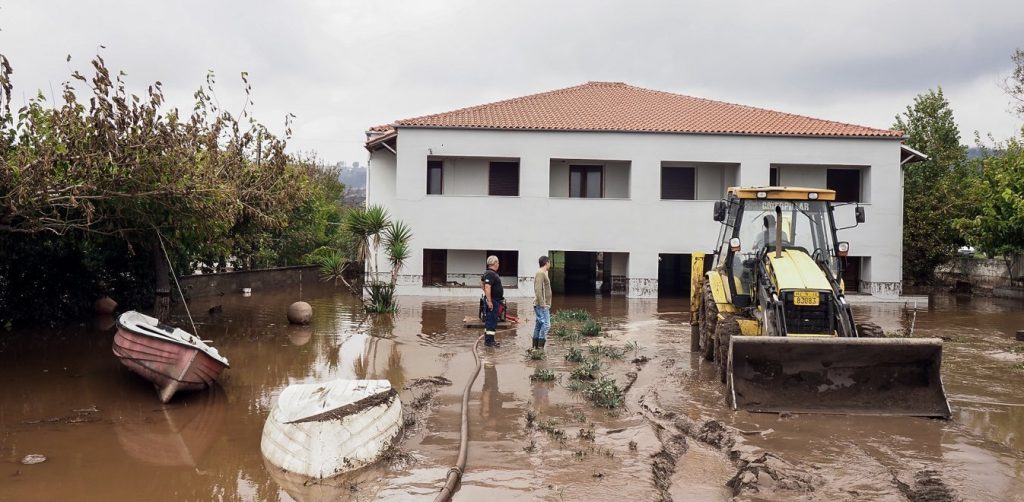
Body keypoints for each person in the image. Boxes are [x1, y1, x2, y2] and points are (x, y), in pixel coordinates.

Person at [480, 255, 503, 347]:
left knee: (490, 320)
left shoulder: (488, 273)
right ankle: (489, 342)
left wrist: (487, 294)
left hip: (494, 299)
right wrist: (489, 301)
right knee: (492, 321)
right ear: (494, 263)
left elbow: (481, 282)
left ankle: (489, 340)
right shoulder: (491, 274)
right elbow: (487, 286)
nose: (498, 264)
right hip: (493, 301)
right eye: (497, 262)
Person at [532, 255, 552, 350]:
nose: (550, 265)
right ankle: (540, 347)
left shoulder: (542, 273)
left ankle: (535, 347)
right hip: (542, 305)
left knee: (539, 324)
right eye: (549, 263)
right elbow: (538, 289)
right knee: (546, 324)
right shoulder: (541, 273)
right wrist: (542, 303)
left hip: (541, 304)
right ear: (546, 263)